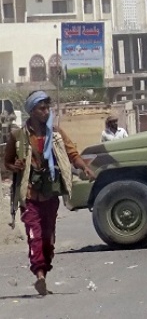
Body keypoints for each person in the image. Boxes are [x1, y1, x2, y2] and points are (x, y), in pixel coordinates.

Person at [4, 91, 96, 296]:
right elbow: (7, 163)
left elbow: (72, 154)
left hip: (50, 194)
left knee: (48, 239)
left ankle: (43, 271)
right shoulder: (17, 136)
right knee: (34, 236)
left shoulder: (55, 134)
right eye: (41, 108)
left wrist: (84, 168)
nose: (46, 112)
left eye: (47, 108)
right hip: (29, 195)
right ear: (32, 111)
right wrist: (15, 165)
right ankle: (39, 276)